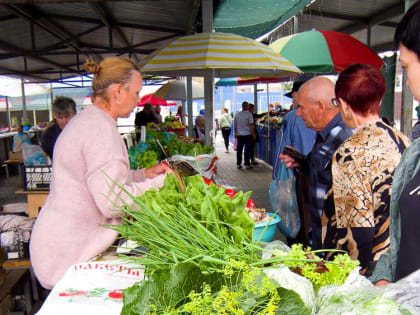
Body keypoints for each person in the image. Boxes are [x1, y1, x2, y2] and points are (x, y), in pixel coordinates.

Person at [30, 57, 172, 289]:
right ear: (117, 92)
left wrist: (144, 174)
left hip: (58, 243)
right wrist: (162, 183)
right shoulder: (100, 129)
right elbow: (112, 200)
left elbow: (98, 179)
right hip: (67, 252)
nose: (138, 100)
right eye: (136, 92)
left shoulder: (88, 120)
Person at [323, 64, 410, 276]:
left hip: (372, 270)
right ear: (379, 100)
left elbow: (356, 231)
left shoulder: (350, 153)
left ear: (343, 105)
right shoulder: (403, 140)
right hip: (402, 257)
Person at [371, 1, 420, 285]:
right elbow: (403, 236)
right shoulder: (415, 148)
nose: (406, 79)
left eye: (406, 66)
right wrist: (384, 276)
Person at [280, 77, 353, 250]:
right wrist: (301, 162)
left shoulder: (343, 138)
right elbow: (321, 170)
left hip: (335, 248)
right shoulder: (325, 135)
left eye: (301, 108)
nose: (298, 114)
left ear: (320, 106)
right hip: (320, 240)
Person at [273, 80, 316, 246]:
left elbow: (281, 150)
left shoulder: (291, 117)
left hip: (298, 179)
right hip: (306, 174)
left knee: (299, 223)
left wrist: (277, 179)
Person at [234, 101, 256, 169]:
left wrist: (235, 133)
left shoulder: (237, 114)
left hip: (239, 135)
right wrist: (253, 134)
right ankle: (247, 164)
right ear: (246, 107)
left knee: (239, 150)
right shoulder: (249, 114)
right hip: (247, 135)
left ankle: (238, 164)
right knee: (247, 150)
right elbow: (251, 125)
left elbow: (235, 125)